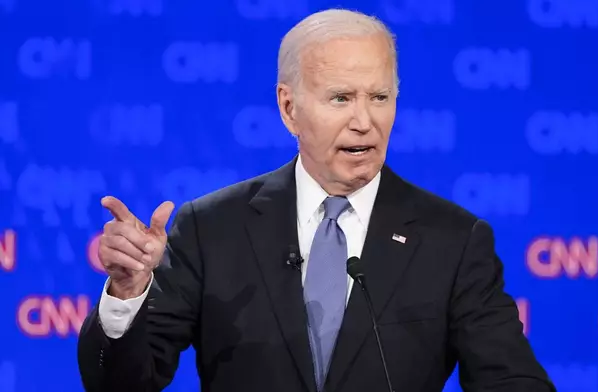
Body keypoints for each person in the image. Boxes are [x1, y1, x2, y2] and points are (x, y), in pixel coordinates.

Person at [77, 8, 556, 392]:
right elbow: (120, 384)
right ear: (289, 107)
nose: (365, 121)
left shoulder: (452, 239)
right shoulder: (211, 227)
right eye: (341, 98)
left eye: (380, 97)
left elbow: (510, 379)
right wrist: (128, 293)